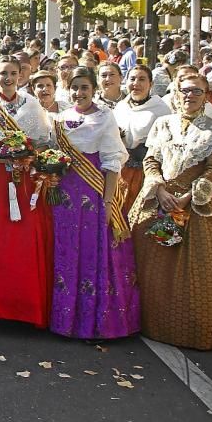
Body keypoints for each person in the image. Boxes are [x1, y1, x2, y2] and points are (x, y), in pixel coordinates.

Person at [130, 72, 212, 350]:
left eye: (197, 92)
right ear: (177, 94)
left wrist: (187, 198)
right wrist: (160, 189)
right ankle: (140, 320)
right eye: (185, 91)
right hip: (159, 198)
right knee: (146, 260)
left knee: (195, 269)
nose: (190, 96)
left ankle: (191, 328)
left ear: (205, 96)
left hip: (194, 204)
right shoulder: (163, 123)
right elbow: (151, 160)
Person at [49, 67, 139, 340]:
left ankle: (91, 324)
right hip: (65, 197)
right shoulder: (61, 118)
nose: (79, 93)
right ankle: (63, 321)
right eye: (75, 87)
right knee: (65, 252)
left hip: (94, 193)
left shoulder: (104, 118)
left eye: (84, 87)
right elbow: (53, 155)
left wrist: (109, 200)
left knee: (91, 253)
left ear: (93, 90)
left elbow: (112, 162)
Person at [0, 57, 54, 327]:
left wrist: (26, 158)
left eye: (13, 73)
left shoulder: (32, 106)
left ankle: (24, 307)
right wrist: (3, 160)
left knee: (24, 242)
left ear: (21, 76)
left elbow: (42, 143)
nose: (7, 78)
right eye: (2, 73)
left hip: (25, 181)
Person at [114, 65, 171, 218]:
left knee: (140, 216)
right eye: (132, 79)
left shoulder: (161, 110)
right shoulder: (120, 107)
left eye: (142, 79)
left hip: (145, 172)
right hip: (120, 170)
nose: (136, 83)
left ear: (150, 84)